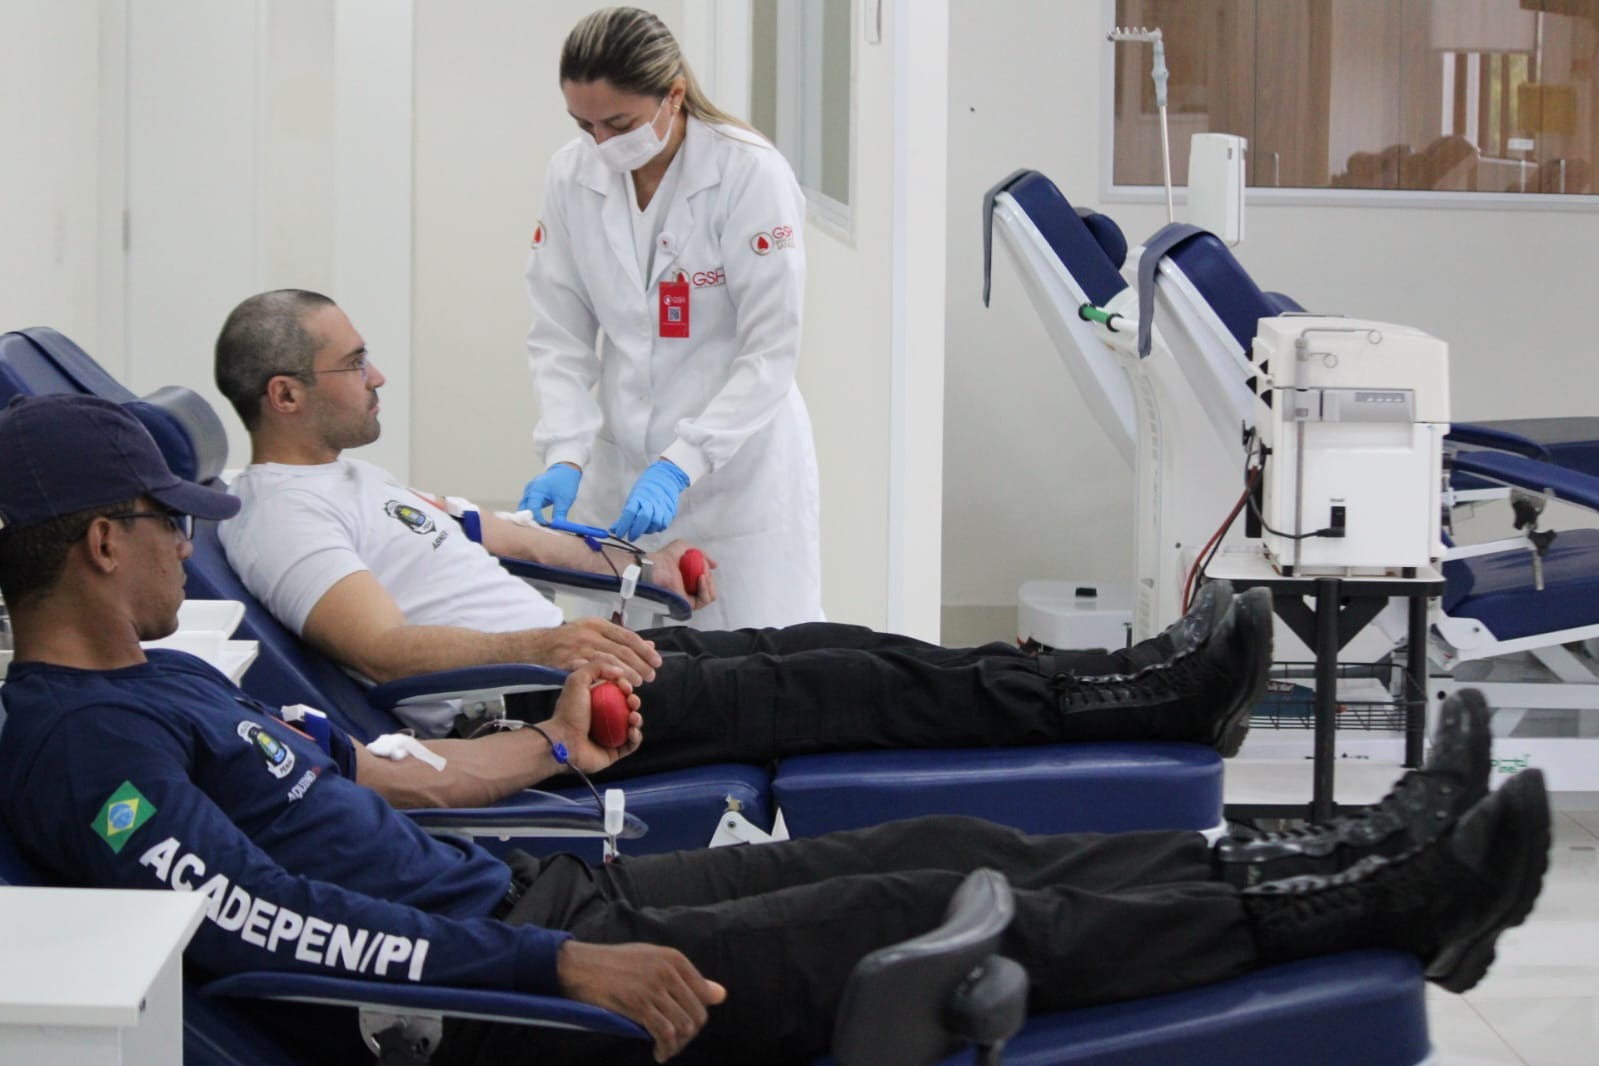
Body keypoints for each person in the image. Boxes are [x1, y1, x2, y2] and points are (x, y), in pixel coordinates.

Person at [0, 393, 1555, 1065]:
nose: (186, 543)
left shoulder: (172, 680)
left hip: (525, 901)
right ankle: (1369, 904)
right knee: (923, 909)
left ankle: (1326, 848)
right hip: (501, 996)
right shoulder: (90, 755)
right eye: (164, 521)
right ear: (95, 542)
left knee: (943, 841)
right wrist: (558, 965)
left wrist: (551, 753)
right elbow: (295, 931)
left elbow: (380, 780)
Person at [215, 290, 1270, 779]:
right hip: (569, 701)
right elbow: (381, 651)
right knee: (863, 689)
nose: (378, 372)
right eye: (355, 362)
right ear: (287, 394)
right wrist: (553, 646)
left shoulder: (355, 478)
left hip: (598, 659)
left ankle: (1127, 676)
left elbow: (512, 536)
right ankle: (1148, 697)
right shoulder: (286, 515)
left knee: (857, 647)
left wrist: (637, 562)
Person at [520, 6, 821, 631]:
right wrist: (565, 452)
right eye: (584, 125)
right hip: (621, 470)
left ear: (673, 95)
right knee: (616, 673)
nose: (601, 144)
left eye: (618, 123)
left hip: (736, 478)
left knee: (749, 673)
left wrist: (682, 462)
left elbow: (770, 353)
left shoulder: (748, 173)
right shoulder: (571, 175)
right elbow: (559, 334)